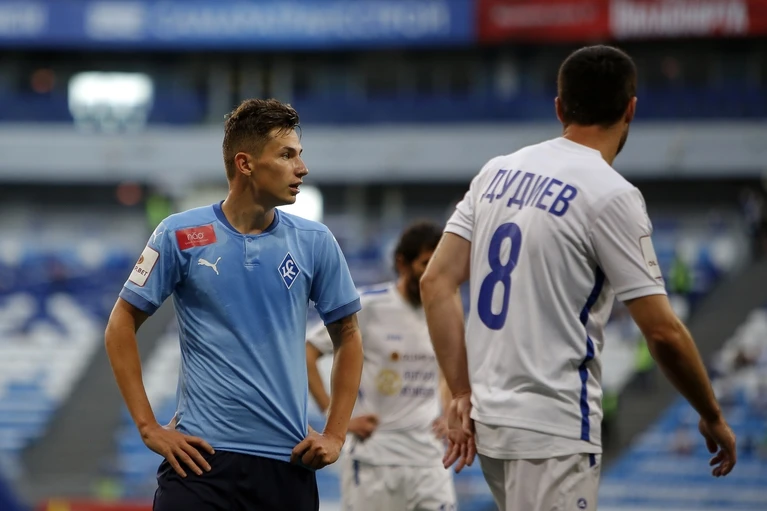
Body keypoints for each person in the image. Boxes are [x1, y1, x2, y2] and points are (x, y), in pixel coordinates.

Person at [419, 45, 737, 511]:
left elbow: (435, 282)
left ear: (559, 108)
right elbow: (663, 332)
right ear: (630, 109)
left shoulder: (496, 172)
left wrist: (461, 392)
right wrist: (711, 414)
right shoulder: (612, 195)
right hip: (553, 427)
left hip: (489, 424)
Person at [105, 99, 364, 511]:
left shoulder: (316, 242)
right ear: (245, 164)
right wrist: (148, 426)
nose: (302, 168)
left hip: (286, 465)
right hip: (199, 463)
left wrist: (335, 434)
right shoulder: (179, 234)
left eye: (299, 154)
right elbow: (120, 324)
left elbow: (348, 336)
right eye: (287, 155)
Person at [305, 221, 457, 511]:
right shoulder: (369, 306)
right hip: (374, 458)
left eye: (438, 263)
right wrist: (334, 418)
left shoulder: (445, 311)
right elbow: (308, 352)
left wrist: (449, 411)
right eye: (426, 263)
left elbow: (446, 369)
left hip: (429, 460)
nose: (433, 272)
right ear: (402, 263)